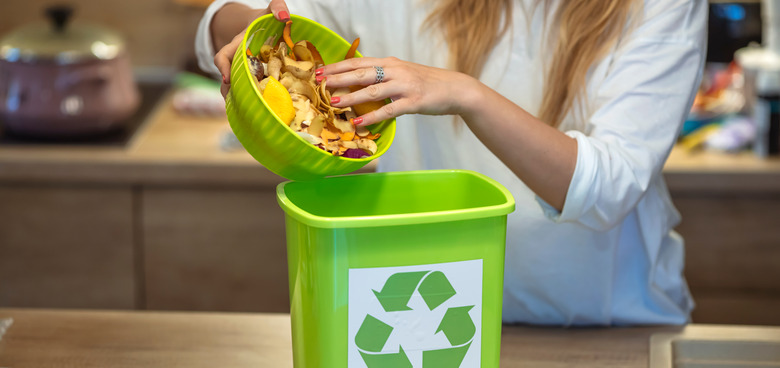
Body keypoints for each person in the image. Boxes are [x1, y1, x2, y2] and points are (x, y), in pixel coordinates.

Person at [196, 0, 707, 326]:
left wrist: (468, 94)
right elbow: (228, 16)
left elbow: (607, 187)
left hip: (611, 328)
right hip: (422, 322)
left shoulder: (663, 8)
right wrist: (253, 36)